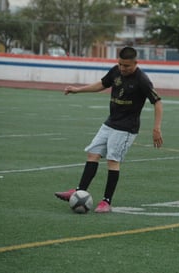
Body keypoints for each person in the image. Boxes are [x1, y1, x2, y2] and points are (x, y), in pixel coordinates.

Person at [55, 47, 164, 212]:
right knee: (93, 154)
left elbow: (157, 102)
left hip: (126, 128)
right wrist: (78, 90)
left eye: (126, 66)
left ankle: (106, 201)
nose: (122, 68)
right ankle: (78, 192)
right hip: (110, 123)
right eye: (120, 64)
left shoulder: (142, 80)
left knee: (113, 161)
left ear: (136, 63)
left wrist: (156, 128)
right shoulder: (116, 70)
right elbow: (102, 84)